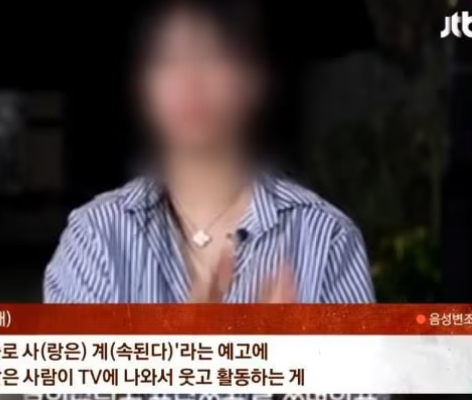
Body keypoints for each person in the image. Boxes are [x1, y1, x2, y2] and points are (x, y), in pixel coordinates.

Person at [44, 0, 375, 304]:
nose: (190, 79)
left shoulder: (326, 236)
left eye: (215, 53)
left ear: (255, 79)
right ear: (143, 88)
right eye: (168, 58)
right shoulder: (96, 235)